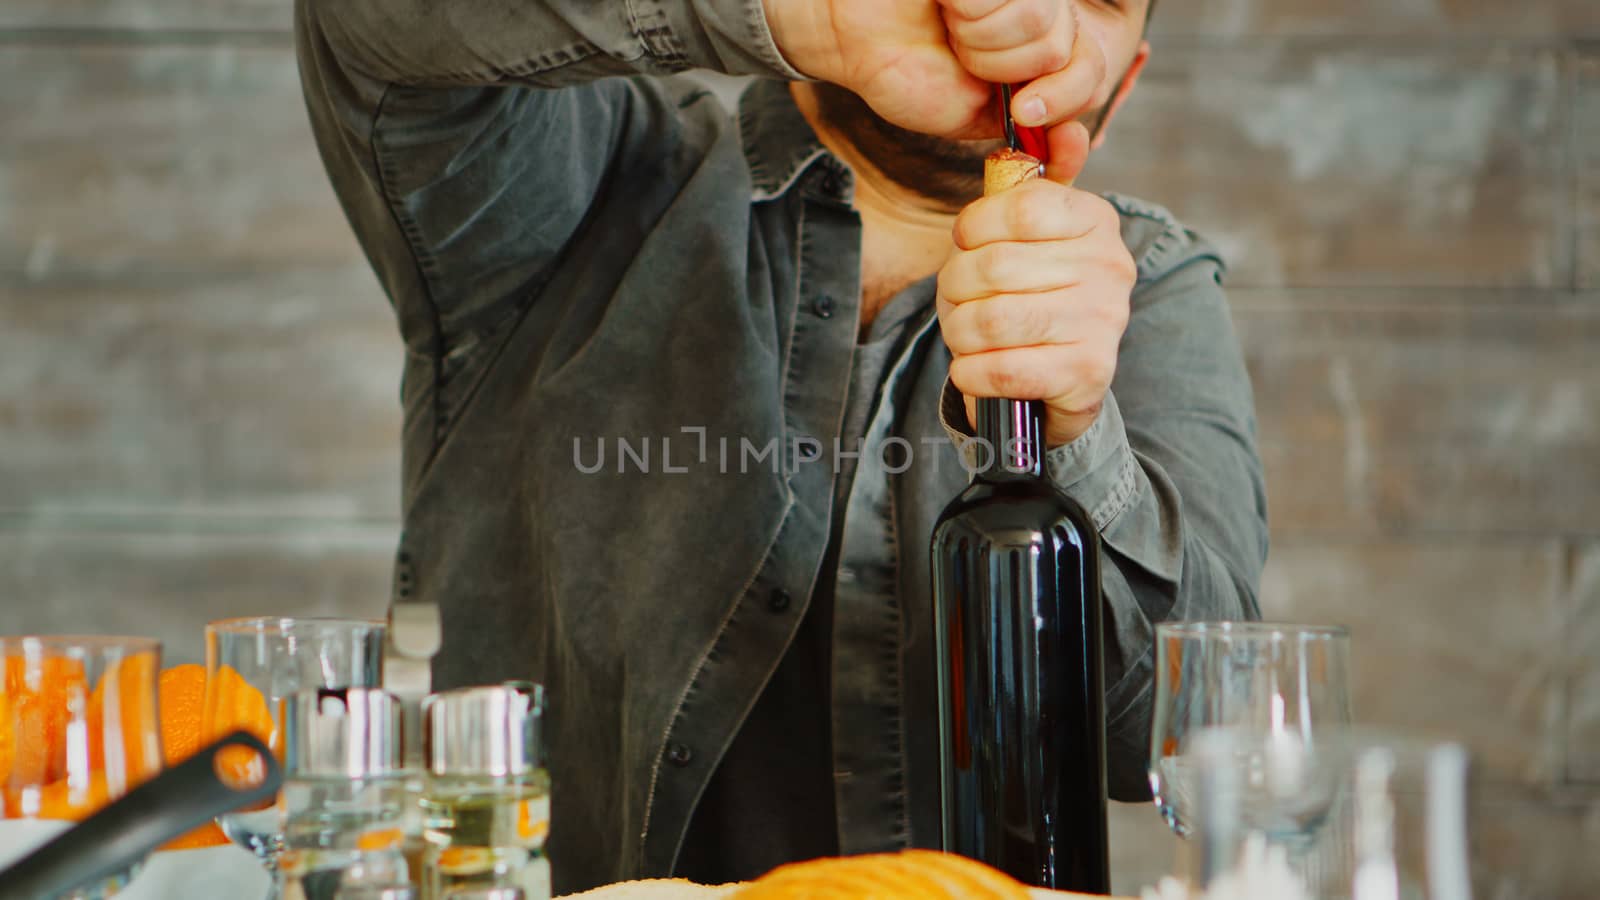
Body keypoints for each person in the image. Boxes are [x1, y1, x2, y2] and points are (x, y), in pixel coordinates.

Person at [294, 0, 1267, 892]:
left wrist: (1077, 440)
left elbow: (1187, 745)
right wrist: (812, 16)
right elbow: (369, 27)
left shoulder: (1154, 288)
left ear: (1123, 82)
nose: (1018, 10)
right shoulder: (580, 172)